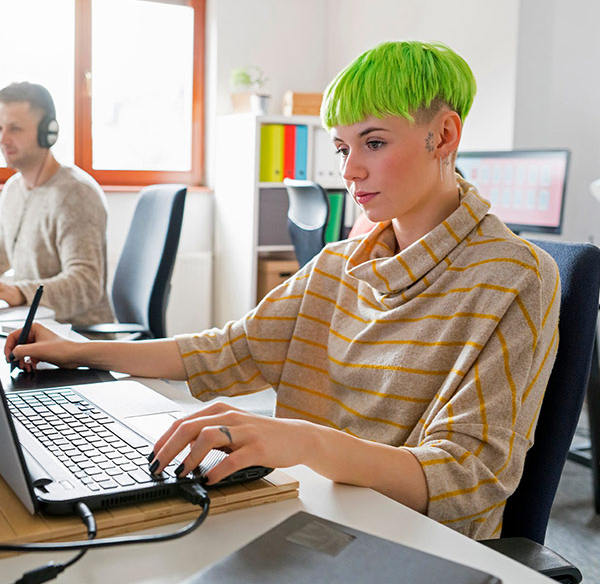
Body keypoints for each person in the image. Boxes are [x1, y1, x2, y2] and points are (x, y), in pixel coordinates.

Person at [4, 42, 560, 540]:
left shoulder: (514, 276)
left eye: (374, 142)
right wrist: (76, 351)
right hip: (310, 516)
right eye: (343, 149)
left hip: (412, 544)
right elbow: (226, 351)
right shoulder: (341, 263)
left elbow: (467, 479)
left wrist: (304, 441)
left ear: (443, 135)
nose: (352, 170)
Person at [0, 82, 114, 326]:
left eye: (15, 129)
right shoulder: (12, 190)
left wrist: (20, 293)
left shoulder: (75, 194)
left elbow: (86, 283)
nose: (3, 139)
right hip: (31, 333)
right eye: (0, 128)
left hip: (79, 339)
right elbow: (3, 255)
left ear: (48, 133)